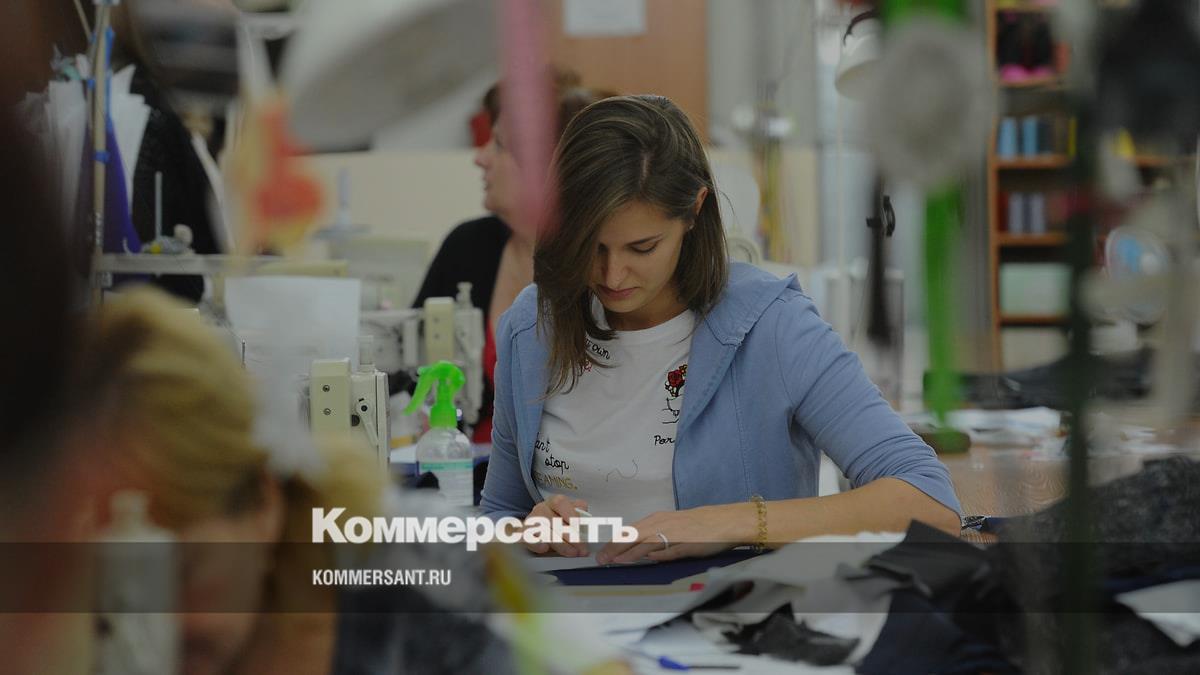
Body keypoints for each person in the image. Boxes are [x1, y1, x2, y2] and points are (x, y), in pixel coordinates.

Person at [481, 95, 962, 563]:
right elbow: (499, 512)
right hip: (566, 609)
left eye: (642, 247)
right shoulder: (531, 327)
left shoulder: (774, 325)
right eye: (592, 247)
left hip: (729, 610)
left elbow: (930, 501)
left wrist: (730, 523)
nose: (612, 275)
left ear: (694, 210)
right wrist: (526, 529)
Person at [73, 288, 519, 675]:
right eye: (103, 596)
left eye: (183, 573)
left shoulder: (425, 580)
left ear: (262, 504)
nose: (151, 628)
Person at [411, 69, 612, 443]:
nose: (480, 158)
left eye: (499, 145)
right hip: (463, 468)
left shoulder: (607, 266)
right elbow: (409, 374)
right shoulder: (468, 247)